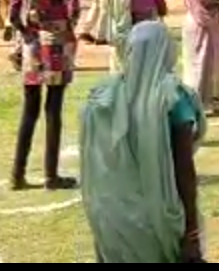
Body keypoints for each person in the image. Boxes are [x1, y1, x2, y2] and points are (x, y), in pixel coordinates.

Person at [80, 21, 205, 263]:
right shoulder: (173, 98)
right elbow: (184, 169)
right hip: (157, 219)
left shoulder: (103, 98)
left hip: (112, 218)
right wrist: (191, 231)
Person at [8, 0, 80, 191]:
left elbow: (14, 15)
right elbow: (74, 13)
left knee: (29, 111)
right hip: (59, 48)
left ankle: (17, 174)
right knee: (54, 110)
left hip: (33, 48)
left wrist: (29, 34)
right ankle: (51, 175)